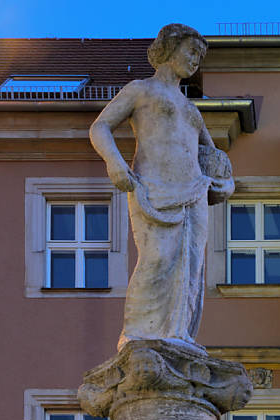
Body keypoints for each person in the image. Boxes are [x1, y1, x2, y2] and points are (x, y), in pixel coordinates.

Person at [89, 23, 234, 351]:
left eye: (199, 55)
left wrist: (225, 185)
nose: (196, 60)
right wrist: (115, 162)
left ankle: (179, 334)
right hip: (153, 187)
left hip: (193, 191)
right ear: (169, 49)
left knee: (192, 267)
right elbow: (100, 128)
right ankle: (138, 334)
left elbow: (211, 158)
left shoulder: (191, 109)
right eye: (191, 51)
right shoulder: (141, 90)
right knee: (156, 259)